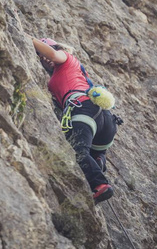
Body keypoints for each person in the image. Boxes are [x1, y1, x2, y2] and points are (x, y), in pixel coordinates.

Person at [30, 36, 118, 204]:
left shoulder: (65, 58)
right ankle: (98, 158)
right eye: (40, 57)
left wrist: (29, 38)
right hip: (105, 122)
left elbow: (55, 55)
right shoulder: (64, 75)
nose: (45, 58)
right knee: (90, 149)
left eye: (45, 52)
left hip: (84, 109)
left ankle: (100, 185)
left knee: (77, 149)